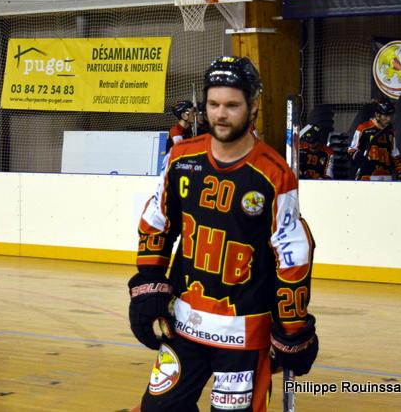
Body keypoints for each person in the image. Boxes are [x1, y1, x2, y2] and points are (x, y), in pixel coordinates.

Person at [128, 56, 317, 411]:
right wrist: (148, 286)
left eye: (232, 105)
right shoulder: (181, 158)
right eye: (213, 104)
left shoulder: (274, 174)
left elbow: (292, 256)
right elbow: (158, 222)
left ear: (254, 104)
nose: (221, 114)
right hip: (184, 323)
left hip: (244, 334)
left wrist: (293, 327)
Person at [348, 100, 401, 181]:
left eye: (390, 116)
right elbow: (351, 150)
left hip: (386, 177)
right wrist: (361, 159)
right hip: (367, 177)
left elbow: (395, 154)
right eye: (385, 116)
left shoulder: (390, 132)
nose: (389, 119)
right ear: (377, 115)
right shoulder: (363, 128)